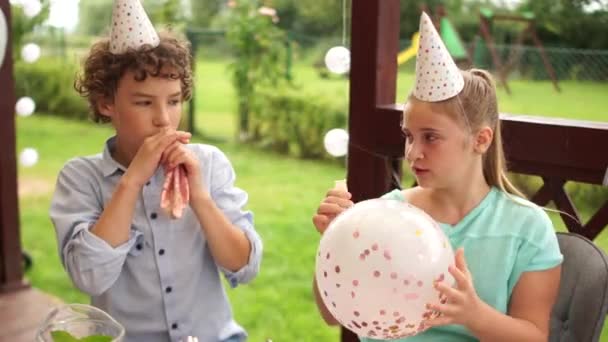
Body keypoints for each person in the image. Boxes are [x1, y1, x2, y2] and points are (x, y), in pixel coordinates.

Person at [312, 12, 562, 342]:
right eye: (409, 136)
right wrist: (335, 243)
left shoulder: (526, 228)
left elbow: (535, 337)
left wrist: (474, 315)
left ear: (481, 140)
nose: (414, 153)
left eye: (430, 137)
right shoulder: (386, 215)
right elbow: (333, 315)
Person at [49, 1, 262, 341]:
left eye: (174, 101)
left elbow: (245, 267)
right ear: (107, 103)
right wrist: (132, 180)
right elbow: (89, 277)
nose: (163, 118)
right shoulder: (80, 179)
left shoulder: (208, 164)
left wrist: (201, 199)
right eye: (144, 102)